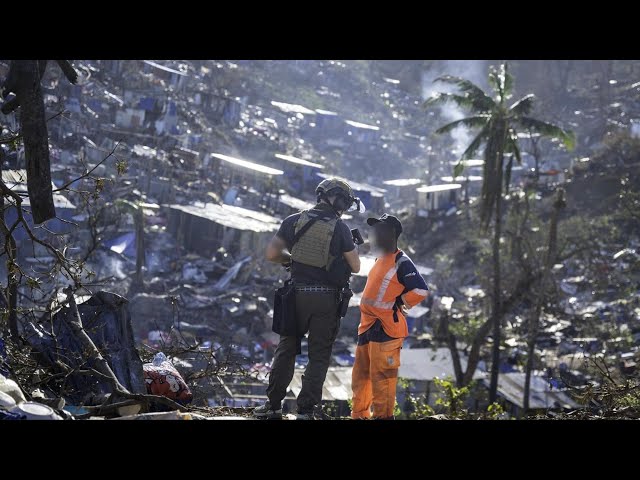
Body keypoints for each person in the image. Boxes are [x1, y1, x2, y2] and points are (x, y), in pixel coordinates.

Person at [254, 178, 362, 420]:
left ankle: (272, 407)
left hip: (295, 295)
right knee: (319, 355)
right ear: (341, 202)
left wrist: (292, 260)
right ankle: (305, 411)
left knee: (286, 349)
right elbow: (355, 266)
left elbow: (272, 253)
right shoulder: (340, 228)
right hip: (326, 300)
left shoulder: (293, 221)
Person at [351, 214, 429, 419]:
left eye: (381, 229)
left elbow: (421, 290)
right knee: (361, 379)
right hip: (367, 326)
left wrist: (400, 302)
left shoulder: (401, 261)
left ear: (393, 233)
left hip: (386, 329)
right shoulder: (379, 258)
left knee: (383, 380)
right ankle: (359, 416)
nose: (376, 233)